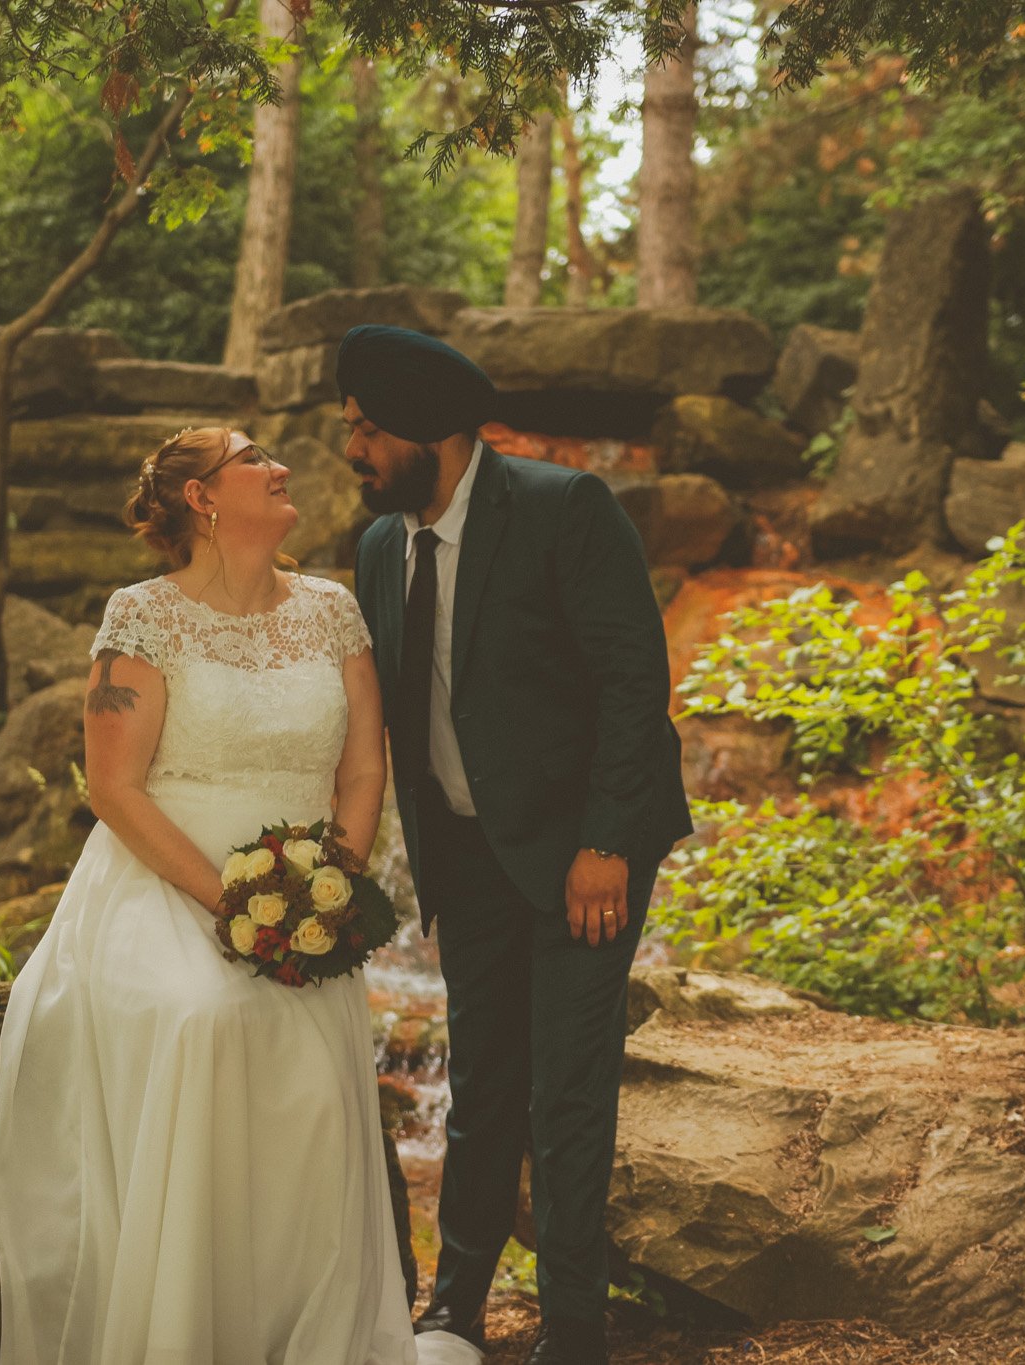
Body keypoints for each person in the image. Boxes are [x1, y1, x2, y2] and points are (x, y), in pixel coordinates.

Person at [0, 427, 417, 1365]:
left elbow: (362, 765)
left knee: (312, 1062)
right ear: (202, 497)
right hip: (163, 883)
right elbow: (114, 789)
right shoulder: (142, 615)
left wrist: (326, 893)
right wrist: (233, 903)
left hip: (305, 900)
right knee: (203, 1016)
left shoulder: (333, 611)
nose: (280, 466)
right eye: (253, 457)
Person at [343, 326, 693, 1365]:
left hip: (585, 856)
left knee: (566, 1091)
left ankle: (572, 1330)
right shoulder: (378, 547)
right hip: (465, 858)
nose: (353, 451)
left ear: (429, 431)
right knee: (484, 1084)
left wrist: (605, 844)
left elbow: (633, 681)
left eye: (367, 430)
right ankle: (455, 1313)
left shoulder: (562, 507)